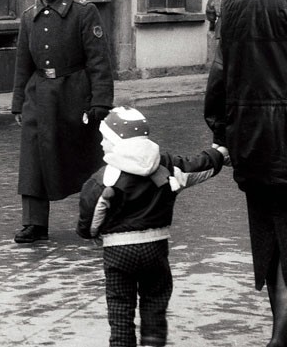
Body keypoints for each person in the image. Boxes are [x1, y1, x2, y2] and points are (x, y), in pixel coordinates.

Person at [78, 106, 228, 347]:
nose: (102, 144)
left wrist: (91, 234)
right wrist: (219, 154)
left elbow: (91, 212)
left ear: (116, 141)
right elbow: (198, 166)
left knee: (120, 308)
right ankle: (153, 342)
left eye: (105, 139)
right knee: (155, 303)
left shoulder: (105, 177)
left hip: (118, 252)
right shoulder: (166, 166)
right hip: (155, 249)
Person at [205, 0, 287, 347]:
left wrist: (223, 129)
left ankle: (278, 330)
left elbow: (219, 72)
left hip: (250, 139)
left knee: (269, 235)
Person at [11, 0, 114, 243]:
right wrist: (18, 103)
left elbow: (99, 61)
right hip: (39, 96)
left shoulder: (84, 12)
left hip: (74, 96)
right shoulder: (29, 17)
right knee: (33, 160)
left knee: (86, 159)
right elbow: (22, 64)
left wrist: (100, 101)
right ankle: (34, 223)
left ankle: (98, 217)